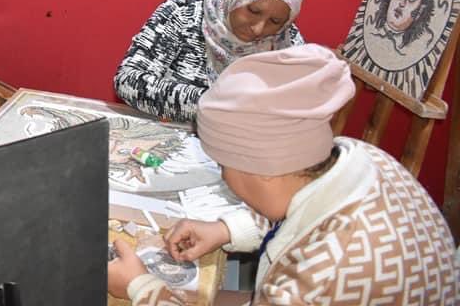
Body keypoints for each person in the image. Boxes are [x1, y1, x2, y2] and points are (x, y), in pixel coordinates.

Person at [108, 44, 460, 305]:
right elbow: (300, 206)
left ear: (258, 169)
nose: (224, 176)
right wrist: (226, 229)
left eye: (222, 165)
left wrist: (142, 289)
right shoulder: (363, 158)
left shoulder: (319, 278)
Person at [114, 0, 305, 122]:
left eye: (275, 21)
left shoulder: (286, 41)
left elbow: (300, 104)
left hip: (244, 152)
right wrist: (217, 104)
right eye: (253, 11)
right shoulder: (187, 11)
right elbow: (127, 81)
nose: (258, 29)